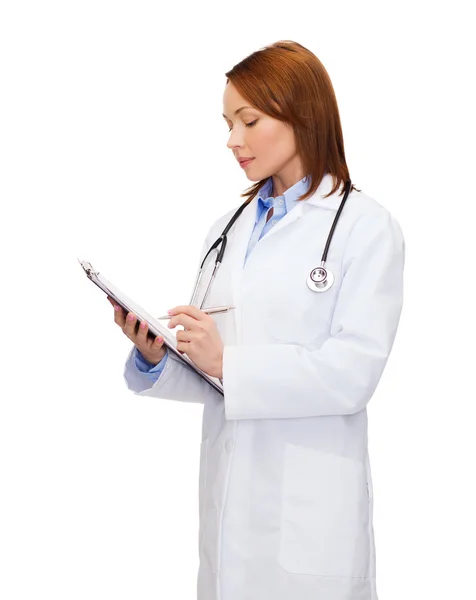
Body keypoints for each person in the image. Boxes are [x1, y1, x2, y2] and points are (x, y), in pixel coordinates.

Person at [109, 40, 405, 600]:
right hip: (228, 513)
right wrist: (159, 358)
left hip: (311, 519)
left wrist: (229, 362)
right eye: (227, 122)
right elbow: (218, 379)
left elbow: (352, 374)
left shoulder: (364, 227)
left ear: (301, 114)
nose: (231, 140)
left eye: (249, 120)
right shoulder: (226, 230)